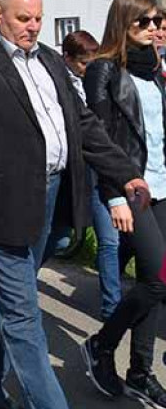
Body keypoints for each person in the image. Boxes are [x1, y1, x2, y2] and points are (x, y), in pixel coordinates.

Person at [0, 0, 146, 409]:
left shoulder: (49, 60)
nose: (33, 27)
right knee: (24, 315)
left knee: (3, 301)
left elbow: (83, 124)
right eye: (23, 19)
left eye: (38, 18)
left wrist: (123, 171)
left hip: (49, 200)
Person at [81, 0, 166, 409]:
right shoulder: (102, 71)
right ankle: (101, 344)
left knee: (154, 281)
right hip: (132, 190)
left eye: (158, 21)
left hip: (164, 188)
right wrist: (113, 193)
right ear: (124, 24)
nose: (154, 28)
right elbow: (98, 137)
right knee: (157, 280)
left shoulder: (156, 73)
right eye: (145, 22)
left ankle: (139, 370)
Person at [62, 29, 121, 321]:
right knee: (62, 237)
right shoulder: (62, 84)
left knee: (111, 240)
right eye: (83, 63)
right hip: (79, 166)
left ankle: (113, 307)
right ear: (68, 59)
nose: (89, 69)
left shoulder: (101, 78)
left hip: (102, 165)